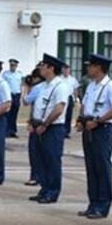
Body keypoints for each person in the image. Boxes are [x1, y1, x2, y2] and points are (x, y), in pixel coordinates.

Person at [76, 53, 112, 219]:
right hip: (89, 128)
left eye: (91, 66)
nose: (88, 68)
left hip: (102, 129)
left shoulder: (111, 86)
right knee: (91, 167)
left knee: (102, 168)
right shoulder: (91, 85)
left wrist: (99, 120)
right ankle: (93, 203)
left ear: (99, 68)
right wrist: (81, 120)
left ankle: (103, 205)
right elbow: (85, 105)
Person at [29, 55, 70, 203]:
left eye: (43, 66)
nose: (41, 68)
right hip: (40, 126)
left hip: (52, 128)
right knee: (42, 160)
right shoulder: (44, 85)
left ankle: (52, 192)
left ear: (51, 68)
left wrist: (45, 124)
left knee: (52, 160)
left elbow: (59, 108)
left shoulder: (60, 86)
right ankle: (44, 189)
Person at [23, 67, 46, 187]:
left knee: (34, 151)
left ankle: (35, 176)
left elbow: (26, 101)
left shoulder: (37, 88)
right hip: (45, 122)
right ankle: (42, 176)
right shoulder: (48, 86)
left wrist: (27, 88)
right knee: (43, 152)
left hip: (36, 122)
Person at [3, 59, 24, 138]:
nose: (12, 67)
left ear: (16, 66)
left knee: (14, 114)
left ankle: (13, 131)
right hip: (9, 95)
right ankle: (6, 130)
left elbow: (21, 85)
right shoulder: (5, 74)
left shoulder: (19, 74)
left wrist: (21, 95)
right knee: (7, 113)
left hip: (17, 95)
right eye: (11, 65)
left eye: (14, 65)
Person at [61, 65, 77, 138]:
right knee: (61, 114)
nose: (66, 72)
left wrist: (75, 99)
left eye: (68, 70)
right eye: (65, 70)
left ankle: (67, 131)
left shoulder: (73, 79)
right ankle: (61, 131)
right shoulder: (59, 78)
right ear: (62, 70)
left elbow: (75, 90)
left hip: (69, 97)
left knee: (68, 115)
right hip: (62, 97)